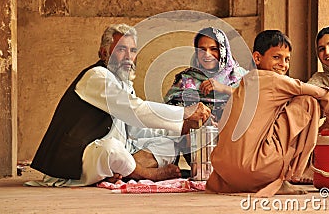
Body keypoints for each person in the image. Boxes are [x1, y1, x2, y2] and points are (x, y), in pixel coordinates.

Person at [28, 24, 211, 187]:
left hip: (121, 153)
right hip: (82, 156)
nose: (128, 57)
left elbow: (135, 129)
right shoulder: (97, 77)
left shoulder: (124, 84)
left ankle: (123, 169)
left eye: (132, 51)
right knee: (111, 148)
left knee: (169, 144)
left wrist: (179, 129)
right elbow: (135, 109)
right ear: (103, 53)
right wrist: (184, 113)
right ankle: (146, 173)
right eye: (121, 49)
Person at [205, 30, 329, 197]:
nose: (283, 64)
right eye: (276, 57)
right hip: (256, 171)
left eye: (287, 59)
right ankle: (289, 176)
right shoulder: (275, 80)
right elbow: (328, 95)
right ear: (258, 58)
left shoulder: (245, 81)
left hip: (226, 175)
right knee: (308, 101)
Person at [163, 27, 248, 164]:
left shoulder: (240, 77)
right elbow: (170, 110)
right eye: (201, 50)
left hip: (234, 148)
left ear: (223, 51)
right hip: (198, 151)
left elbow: (257, 103)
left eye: (213, 49)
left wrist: (224, 89)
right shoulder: (187, 79)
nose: (207, 54)